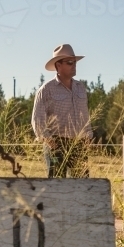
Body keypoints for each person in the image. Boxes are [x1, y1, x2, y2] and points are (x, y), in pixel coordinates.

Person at [31, 44, 92, 178]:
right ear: (58, 65)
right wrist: (51, 143)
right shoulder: (46, 90)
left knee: (82, 187)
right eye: (70, 62)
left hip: (78, 144)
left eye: (75, 62)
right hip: (56, 144)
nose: (74, 65)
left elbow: (85, 115)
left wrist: (88, 135)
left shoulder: (80, 88)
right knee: (57, 188)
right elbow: (38, 121)